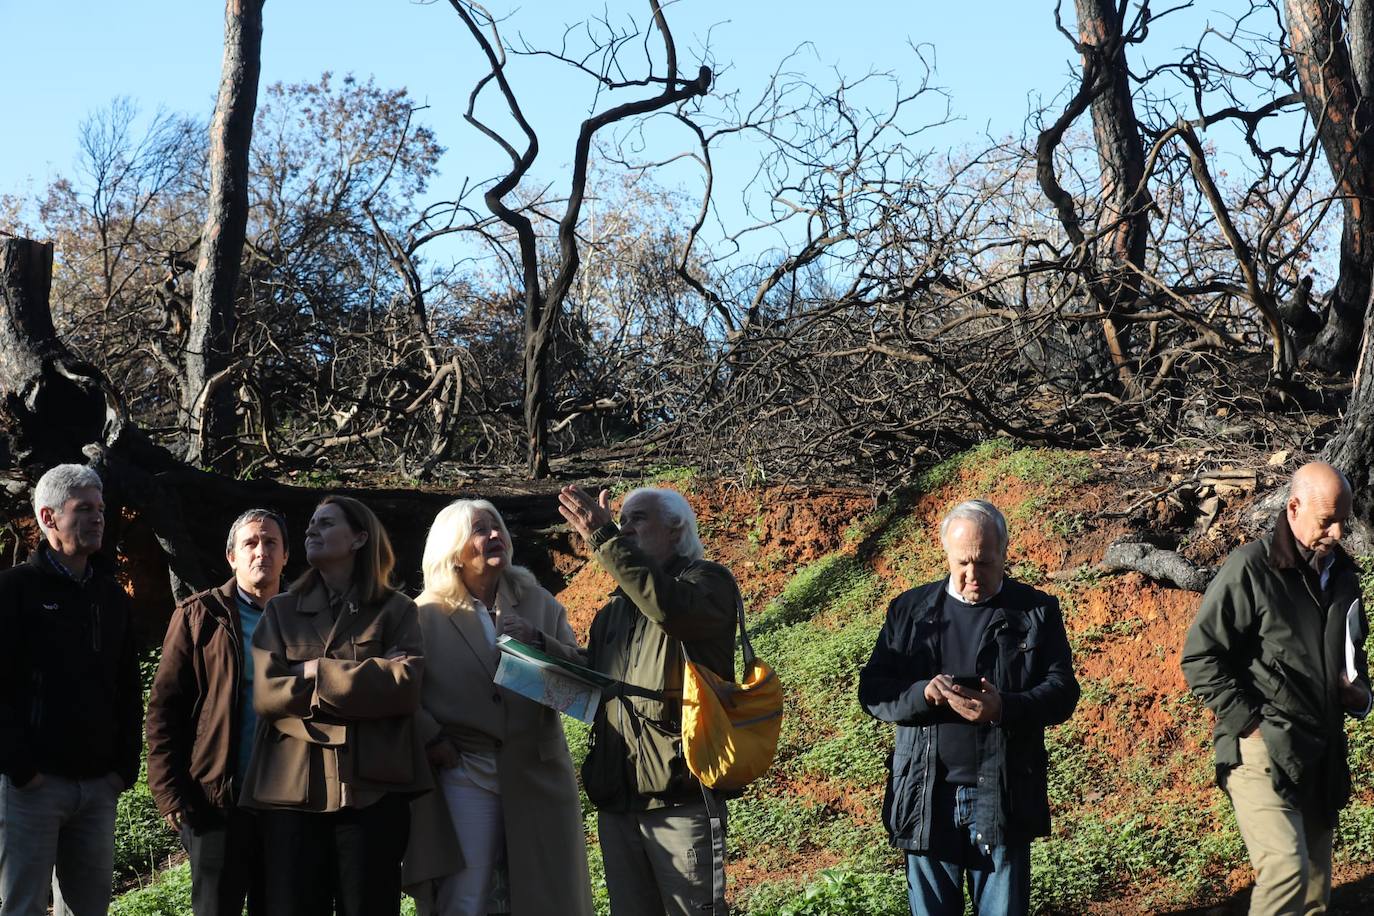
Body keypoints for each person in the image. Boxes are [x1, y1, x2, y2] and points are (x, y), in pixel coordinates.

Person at [857, 499, 1079, 916]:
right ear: (945, 553)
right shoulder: (910, 611)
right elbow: (873, 691)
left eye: (984, 562)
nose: (972, 575)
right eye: (962, 562)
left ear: (1004, 553)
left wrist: (1004, 709)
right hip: (925, 793)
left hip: (1003, 791)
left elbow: (1062, 691)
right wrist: (923, 694)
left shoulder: (1035, 612)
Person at [1182, 461, 1371, 915]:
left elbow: (1354, 660)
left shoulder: (1343, 576)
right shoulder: (1250, 568)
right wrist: (1250, 725)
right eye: (1327, 520)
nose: (1339, 533)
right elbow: (1200, 656)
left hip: (1320, 751)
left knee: (1313, 895)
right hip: (1260, 749)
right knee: (1287, 872)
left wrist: (1360, 695)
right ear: (1293, 508)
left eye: (1345, 519)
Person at [241, 495, 430, 916]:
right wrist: (368, 675)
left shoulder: (396, 610)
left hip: (373, 792)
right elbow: (268, 694)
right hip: (291, 793)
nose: (311, 531)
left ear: (360, 537)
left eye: (325, 524)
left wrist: (312, 672)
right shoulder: (281, 611)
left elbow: (405, 688)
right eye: (310, 524)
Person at [403, 499, 593, 916]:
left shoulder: (538, 600)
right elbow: (404, 695)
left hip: (537, 768)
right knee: (466, 894)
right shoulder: (424, 614)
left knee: (549, 894)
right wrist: (431, 737)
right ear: (452, 548)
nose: (493, 535)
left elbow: (581, 684)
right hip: (464, 769)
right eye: (479, 529)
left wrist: (538, 642)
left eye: (496, 527)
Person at [559, 485, 738, 916]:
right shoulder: (613, 612)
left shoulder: (708, 583)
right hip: (619, 801)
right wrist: (542, 648)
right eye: (622, 520)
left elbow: (669, 610)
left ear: (676, 530)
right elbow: (599, 681)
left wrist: (604, 539)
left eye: (638, 518)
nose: (624, 527)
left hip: (681, 795)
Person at [0, 464, 143, 916]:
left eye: (100, 508)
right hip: (30, 789)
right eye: (83, 508)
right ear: (48, 517)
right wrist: (20, 768)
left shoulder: (112, 597)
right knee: (22, 907)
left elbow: (127, 687)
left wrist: (123, 767)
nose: (98, 518)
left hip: (99, 788)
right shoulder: (12, 591)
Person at [145, 508, 289, 916]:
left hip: (289, 804)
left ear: (285, 556)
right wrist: (168, 792)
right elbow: (163, 709)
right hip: (217, 801)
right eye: (250, 543)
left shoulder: (304, 618)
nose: (261, 551)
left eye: (271, 543)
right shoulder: (199, 615)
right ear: (232, 557)